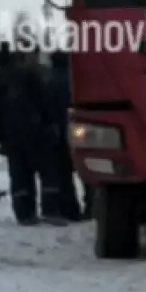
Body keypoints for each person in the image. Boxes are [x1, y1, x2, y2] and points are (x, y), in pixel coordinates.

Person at [0, 47, 67, 227]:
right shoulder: (29, 75)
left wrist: (0, 135)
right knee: (47, 173)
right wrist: (50, 125)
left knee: (19, 175)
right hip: (37, 132)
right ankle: (50, 210)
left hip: (11, 135)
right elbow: (43, 101)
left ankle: (24, 213)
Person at [45, 50, 87, 221]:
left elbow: (47, 108)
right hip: (80, 128)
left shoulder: (50, 81)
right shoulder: (77, 79)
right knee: (85, 167)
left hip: (60, 131)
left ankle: (70, 208)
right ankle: (91, 204)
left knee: (63, 172)